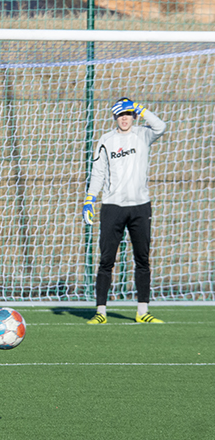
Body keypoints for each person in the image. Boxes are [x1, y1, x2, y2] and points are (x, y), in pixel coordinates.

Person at [82, 98, 167, 324]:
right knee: (106, 260)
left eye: (129, 114)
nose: (125, 118)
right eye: (121, 115)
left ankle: (142, 311)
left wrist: (142, 109)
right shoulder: (106, 140)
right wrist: (89, 200)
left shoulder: (143, 134)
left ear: (134, 116)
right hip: (113, 207)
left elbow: (161, 126)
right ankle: (101, 312)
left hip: (140, 206)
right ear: (115, 118)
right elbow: (98, 172)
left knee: (142, 259)